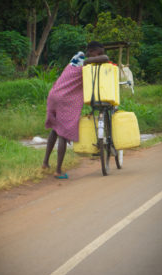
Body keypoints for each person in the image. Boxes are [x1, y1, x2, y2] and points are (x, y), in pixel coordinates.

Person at [42, 41, 109, 179]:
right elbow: (106, 59)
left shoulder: (76, 57)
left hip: (54, 95)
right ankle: (58, 171)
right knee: (63, 134)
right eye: (99, 53)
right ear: (90, 51)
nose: (101, 56)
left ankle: (45, 163)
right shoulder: (85, 61)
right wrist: (101, 58)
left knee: (55, 129)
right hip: (65, 99)